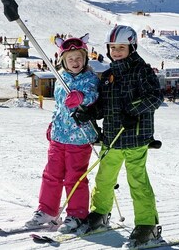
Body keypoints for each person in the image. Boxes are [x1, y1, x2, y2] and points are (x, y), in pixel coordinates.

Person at [73, 25, 163, 246]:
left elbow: (155, 97)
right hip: (112, 137)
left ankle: (146, 225)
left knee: (137, 181)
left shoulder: (141, 70)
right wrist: (90, 112)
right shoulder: (108, 75)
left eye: (121, 48)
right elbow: (104, 106)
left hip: (135, 137)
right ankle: (100, 213)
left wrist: (134, 110)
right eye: (113, 48)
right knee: (104, 178)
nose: (116, 52)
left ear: (132, 47)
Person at [25, 34, 100, 234]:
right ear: (63, 61)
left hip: (80, 136)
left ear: (85, 59)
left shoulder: (89, 78)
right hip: (59, 135)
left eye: (78, 58)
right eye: (70, 59)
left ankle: (77, 214)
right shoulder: (60, 78)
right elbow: (58, 106)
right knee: (52, 173)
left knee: (75, 177)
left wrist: (82, 97)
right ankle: (47, 210)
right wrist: (52, 124)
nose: (75, 62)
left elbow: (94, 95)